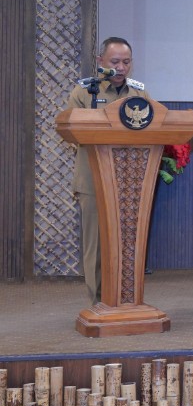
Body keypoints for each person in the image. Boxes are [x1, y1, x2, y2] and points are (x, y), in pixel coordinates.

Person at [66, 36, 151, 303]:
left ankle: (126, 299)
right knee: (97, 245)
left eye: (126, 62)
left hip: (129, 181)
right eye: (115, 62)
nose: (121, 67)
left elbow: (153, 128)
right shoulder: (85, 93)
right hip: (93, 181)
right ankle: (98, 302)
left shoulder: (139, 94)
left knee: (128, 243)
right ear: (100, 61)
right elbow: (69, 132)